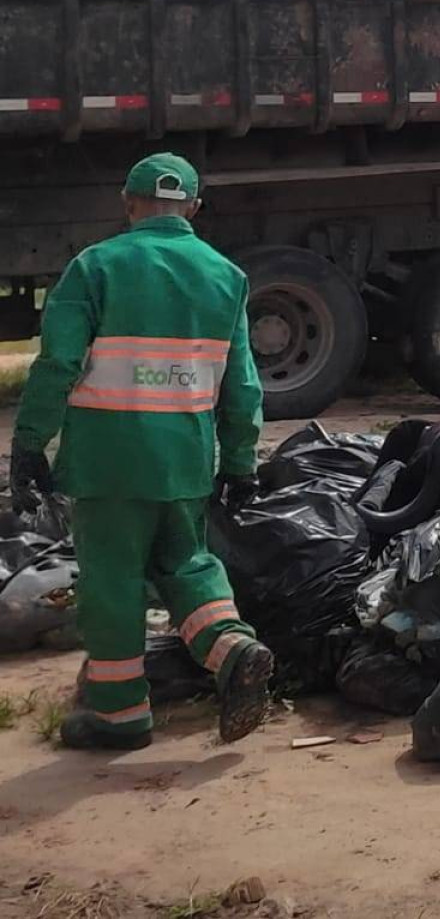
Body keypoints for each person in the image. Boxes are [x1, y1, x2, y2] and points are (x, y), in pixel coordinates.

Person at [8, 153, 275, 750]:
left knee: (113, 582)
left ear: (128, 204)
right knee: (189, 565)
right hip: (184, 459)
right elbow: (243, 386)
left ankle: (120, 714)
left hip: (108, 463)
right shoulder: (226, 276)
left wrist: (29, 445)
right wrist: (240, 462)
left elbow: (57, 365)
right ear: (194, 209)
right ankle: (233, 647)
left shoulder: (94, 267)